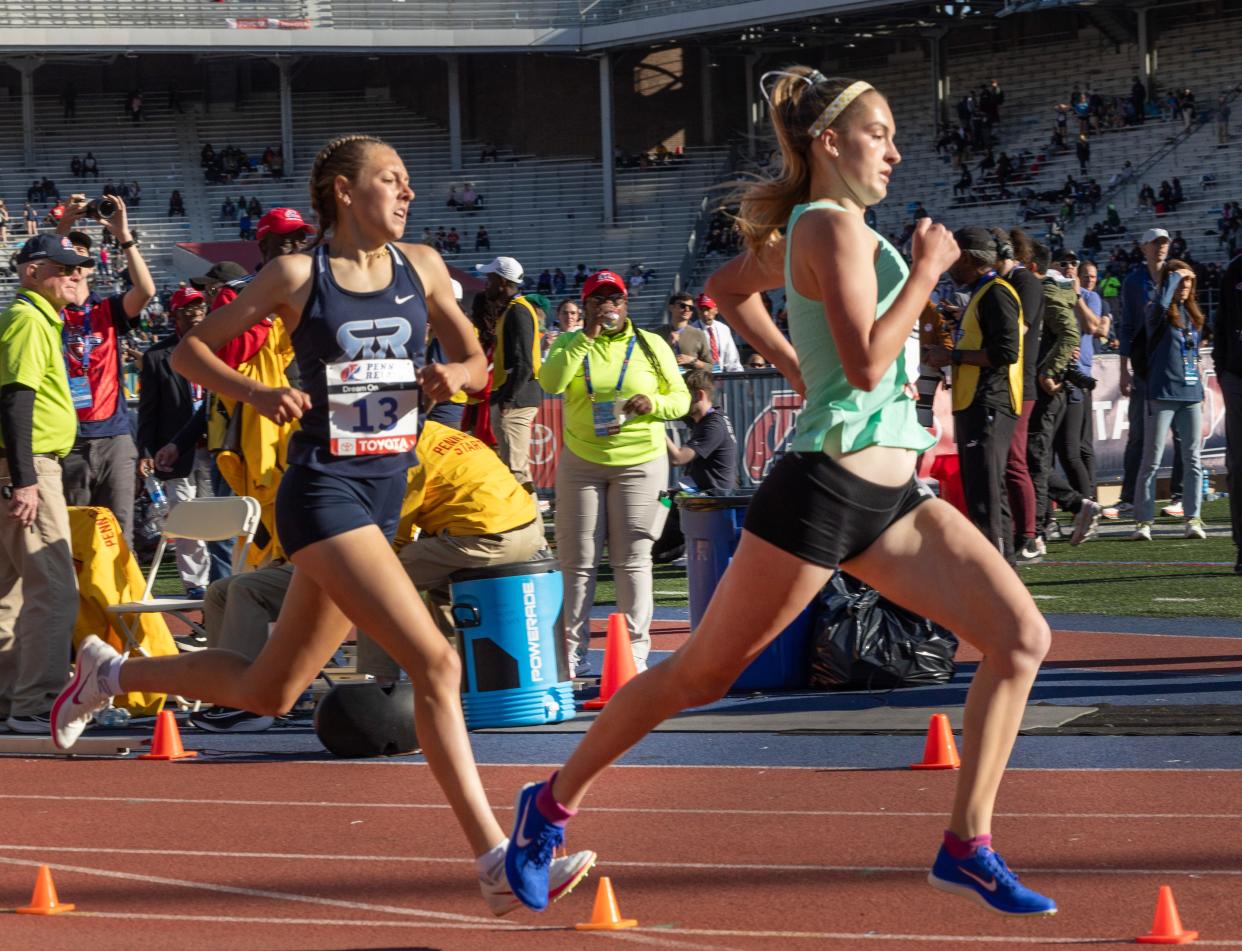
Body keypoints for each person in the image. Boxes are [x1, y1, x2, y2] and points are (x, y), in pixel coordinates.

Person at [505, 70, 1054, 918]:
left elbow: (728, 292)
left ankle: (967, 843)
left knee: (1020, 638)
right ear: (829, 143)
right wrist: (929, 271)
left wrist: (798, 363)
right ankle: (547, 804)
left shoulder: (824, 228)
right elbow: (869, 363)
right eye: (880, 133)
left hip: (891, 491)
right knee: (698, 674)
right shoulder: (830, 228)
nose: (896, 151)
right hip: (823, 493)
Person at [51, 133, 595, 916]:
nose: (408, 193)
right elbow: (188, 355)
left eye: (409, 182)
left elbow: (479, 358)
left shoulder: (425, 266)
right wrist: (258, 392)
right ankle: (494, 859)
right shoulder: (297, 274)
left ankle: (108, 674)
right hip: (322, 493)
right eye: (391, 180)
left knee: (267, 686)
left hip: (384, 492)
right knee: (437, 664)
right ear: (344, 191)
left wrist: (459, 372)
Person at [192, 419, 544, 732]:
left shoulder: (399, 458)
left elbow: (385, 544)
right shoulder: (436, 434)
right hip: (520, 527)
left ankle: (381, 688)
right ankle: (451, 688)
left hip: (487, 535)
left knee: (378, 587)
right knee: (412, 589)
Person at [538, 269, 689, 677]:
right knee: (577, 560)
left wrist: (652, 402)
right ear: (585, 306)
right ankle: (571, 656)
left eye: (616, 299)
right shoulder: (570, 342)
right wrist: (584, 337)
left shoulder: (651, 344)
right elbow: (550, 383)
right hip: (582, 463)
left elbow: (680, 399)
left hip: (640, 463)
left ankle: (635, 655)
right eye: (599, 300)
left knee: (633, 559)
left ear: (627, 305)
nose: (609, 306)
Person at [0, 235, 93, 733]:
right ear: (32, 272)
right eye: (65, 267)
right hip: (30, 464)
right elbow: (15, 399)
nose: (77, 274)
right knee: (54, 589)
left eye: (79, 267)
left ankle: (10, 700)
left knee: (10, 593)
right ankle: (36, 701)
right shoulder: (30, 318)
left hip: (18, 465)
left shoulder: (30, 317)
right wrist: (26, 479)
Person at [56, 197, 156, 548]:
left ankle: (125, 602)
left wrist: (124, 235)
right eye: (67, 258)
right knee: (72, 540)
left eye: (82, 258)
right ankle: (79, 605)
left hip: (114, 437)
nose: (75, 266)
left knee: (119, 536)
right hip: (67, 440)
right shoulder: (49, 311)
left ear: (91, 267)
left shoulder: (107, 309)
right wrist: (62, 229)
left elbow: (146, 291)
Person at [926, 226, 1024, 557]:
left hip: (989, 403)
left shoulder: (996, 291)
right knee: (985, 495)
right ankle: (1004, 573)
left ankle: (997, 575)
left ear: (966, 257)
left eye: (953, 258)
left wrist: (951, 355)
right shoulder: (983, 293)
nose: (948, 265)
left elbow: (1006, 352)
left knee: (986, 499)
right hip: (978, 403)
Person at [137, 287, 214, 598]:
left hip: (215, 448)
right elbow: (148, 411)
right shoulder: (157, 357)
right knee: (186, 519)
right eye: (187, 310)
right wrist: (145, 451)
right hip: (177, 452)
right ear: (173, 316)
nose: (195, 315)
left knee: (220, 516)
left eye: (199, 308)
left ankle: (225, 580)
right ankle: (197, 586)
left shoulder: (220, 348)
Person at [1132, 260, 1208, 541]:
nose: (1184, 287)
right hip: (1161, 393)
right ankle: (1143, 521)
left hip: (1190, 395)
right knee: (1151, 460)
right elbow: (1161, 308)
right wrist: (1173, 279)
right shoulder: (1156, 311)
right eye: (1179, 282)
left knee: (1193, 459)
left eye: (1189, 282)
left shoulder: (1193, 316)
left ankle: (1193, 518)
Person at [1112, 228, 1172, 519]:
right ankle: (1128, 496)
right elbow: (1126, 327)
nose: (1161, 248)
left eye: (1164, 243)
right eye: (1155, 243)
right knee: (1137, 434)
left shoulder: (1177, 276)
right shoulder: (1134, 282)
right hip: (1145, 369)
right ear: (1143, 247)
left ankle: (1180, 496)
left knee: (1183, 435)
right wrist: (1123, 369)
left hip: (1172, 367)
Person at [655, 367, 738, 562]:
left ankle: (686, 545)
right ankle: (676, 543)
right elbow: (669, 410)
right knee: (662, 498)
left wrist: (656, 428)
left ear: (699, 395)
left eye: (683, 396)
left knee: (667, 502)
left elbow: (678, 458)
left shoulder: (713, 425)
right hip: (696, 492)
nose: (680, 402)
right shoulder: (703, 417)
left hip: (710, 497)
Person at [483, 256, 542, 494]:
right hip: (513, 396)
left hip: (516, 400)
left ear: (501, 281)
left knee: (516, 471)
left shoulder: (518, 311)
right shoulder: (513, 310)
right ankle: (529, 526)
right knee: (515, 470)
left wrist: (507, 399)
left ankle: (529, 526)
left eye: (489, 278)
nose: (485, 283)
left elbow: (524, 363)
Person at [1213, 246, 1242, 572]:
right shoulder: (1235, 271)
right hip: (1237, 377)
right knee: (1239, 465)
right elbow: (1220, 323)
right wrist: (1224, 371)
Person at [657, 291, 712, 372]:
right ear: (671, 307)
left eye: (691, 308)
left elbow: (710, 367)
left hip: (691, 383)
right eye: (682, 306)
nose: (687, 309)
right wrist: (667, 345)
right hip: (666, 382)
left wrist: (692, 361)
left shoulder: (698, 334)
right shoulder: (657, 333)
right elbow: (650, 362)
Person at [692, 293, 744, 371]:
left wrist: (740, 379)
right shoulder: (691, 330)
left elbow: (732, 359)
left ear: (716, 309)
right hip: (702, 377)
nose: (705, 313)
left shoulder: (724, 329)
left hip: (723, 377)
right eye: (701, 309)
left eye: (708, 309)